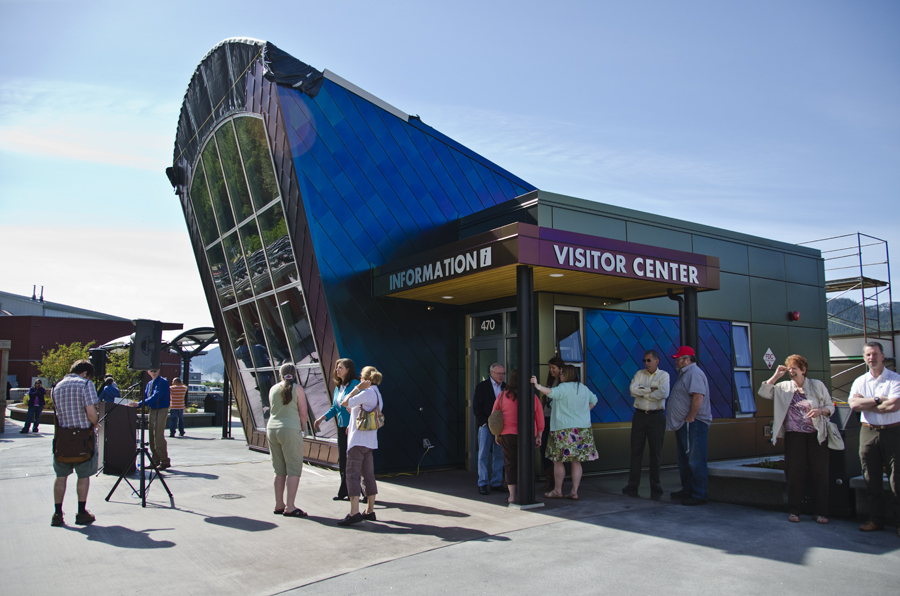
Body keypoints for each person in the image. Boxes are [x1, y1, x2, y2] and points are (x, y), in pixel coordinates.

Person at [758, 355, 835, 523]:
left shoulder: (816, 385)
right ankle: (795, 510)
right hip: (794, 435)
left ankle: (821, 512)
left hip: (817, 434)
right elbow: (763, 392)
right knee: (794, 472)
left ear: (803, 369)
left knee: (820, 472)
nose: (791, 371)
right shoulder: (783, 387)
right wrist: (776, 375)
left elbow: (830, 406)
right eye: (789, 368)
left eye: (794, 368)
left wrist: (820, 411)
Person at [848, 341, 900, 535]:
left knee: (897, 479)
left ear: (882, 356)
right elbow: (853, 405)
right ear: (864, 358)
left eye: (875, 354)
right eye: (868, 355)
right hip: (868, 432)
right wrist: (879, 400)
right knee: (871, 477)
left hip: (893, 431)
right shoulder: (860, 381)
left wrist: (866, 403)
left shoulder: (895, 379)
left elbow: (893, 406)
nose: (872, 358)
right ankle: (876, 520)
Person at [531, 364, 599, 500]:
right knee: (576, 461)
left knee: (557, 461)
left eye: (561, 373)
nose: (559, 375)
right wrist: (584, 412)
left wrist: (537, 386)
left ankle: (557, 490)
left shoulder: (563, 387)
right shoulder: (583, 388)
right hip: (582, 429)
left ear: (567, 375)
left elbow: (551, 392)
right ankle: (574, 491)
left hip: (564, 430)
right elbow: (594, 400)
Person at [51, 360, 100, 527]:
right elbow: (91, 412)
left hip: (63, 438)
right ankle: (81, 512)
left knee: (60, 476)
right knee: (83, 476)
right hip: (82, 438)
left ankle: (57, 513)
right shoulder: (86, 384)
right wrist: (96, 424)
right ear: (85, 373)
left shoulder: (57, 386)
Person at [337, 365, 383, 526]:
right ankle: (370, 510)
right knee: (368, 475)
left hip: (357, 441)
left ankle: (354, 512)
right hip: (370, 441)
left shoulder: (366, 393)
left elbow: (344, 402)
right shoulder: (377, 393)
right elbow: (361, 410)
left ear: (364, 379)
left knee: (352, 475)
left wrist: (356, 388)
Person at [667, 346, 711, 506]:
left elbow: (698, 396)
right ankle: (688, 489)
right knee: (684, 459)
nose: (676, 361)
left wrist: (691, 418)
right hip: (684, 424)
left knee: (695, 459)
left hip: (694, 423)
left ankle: (699, 494)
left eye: (679, 359)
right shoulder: (685, 374)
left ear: (687, 360)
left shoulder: (694, 373)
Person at [623, 350, 670, 497]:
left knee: (655, 452)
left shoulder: (664, 375)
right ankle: (633, 484)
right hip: (640, 416)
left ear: (657, 361)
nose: (646, 363)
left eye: (649, 360)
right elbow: (632, 391)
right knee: (636, 451)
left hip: (656, 416)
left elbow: (663, 393)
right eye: (644, 361)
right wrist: (651, 390)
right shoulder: (639, 374)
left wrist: (643, 392)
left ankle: (655, 484)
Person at [492, 369, 543, 504]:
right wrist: (539, 435)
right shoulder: (532, 396)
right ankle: (527, 493)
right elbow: (539, 418)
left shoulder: (502, 396)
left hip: (507, 434)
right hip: (527, 435)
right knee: (526, 464)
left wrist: (497, 434)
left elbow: (494, 415)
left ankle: (512, 496)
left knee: (510, 464)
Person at [267, 363, 310, 517]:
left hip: (272, 429)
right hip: (290, 429)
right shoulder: (297, 388)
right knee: (293, 468)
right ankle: (290, 506)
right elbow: (303, 413)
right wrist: (303, 429)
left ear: (280, 374)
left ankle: (279, 504)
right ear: (294, 374)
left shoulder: (273, 388)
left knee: (278, 470)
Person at [313, 358, 359, 501]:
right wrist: (322, 418)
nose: (337, 370)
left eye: (341, 368)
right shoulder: (339, 387)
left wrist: (352, 424)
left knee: (355, 459)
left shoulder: (355, 385)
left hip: (352, 427)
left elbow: (358, 406)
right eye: (337, 367)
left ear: (348, 370)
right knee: (343, 459)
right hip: (341, 427)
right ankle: (343, 490)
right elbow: (335, 408)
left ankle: (361, 491)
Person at [128, 368, 171, 470]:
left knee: (158, 435)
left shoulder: (163, 382)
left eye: (155, 370)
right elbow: (148, 397)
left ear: (159, 370)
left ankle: (164, 461)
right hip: (152, 410)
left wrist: (138, 404)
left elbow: (156, 396)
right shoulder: (149, 383)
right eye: (152, 371)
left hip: (161, 409)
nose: (154, 372)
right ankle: (155, 461)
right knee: (151, 436)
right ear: (148, 372)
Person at [474, 363, 506, 495]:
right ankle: (482, 483)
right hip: (486, 426)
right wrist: (483, 423)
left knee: (500, 455)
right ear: (491, 373)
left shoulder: (505, 388)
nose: (501, 376)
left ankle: (496, 483)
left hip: (501, 427)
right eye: (499, 373)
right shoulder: (482, 387)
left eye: (503, 373)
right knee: (483, 455)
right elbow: (477, 406)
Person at [540, 357, 565, 491]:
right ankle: (549, 478)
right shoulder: (550, 382)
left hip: (557, 419)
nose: (551, 371)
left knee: (557, 449)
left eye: (553, 368)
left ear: (561, 369)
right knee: (544, 447)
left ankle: (557, 482)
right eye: (550, 368)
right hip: (546, 416)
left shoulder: (563, 384)